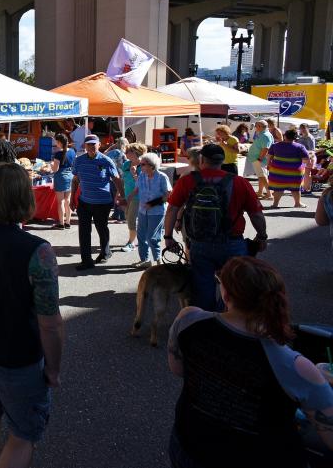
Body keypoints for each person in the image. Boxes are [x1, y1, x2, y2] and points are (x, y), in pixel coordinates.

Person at [167, 257, 333, 468]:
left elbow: (178, 368)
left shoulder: (189, 319)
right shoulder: (295, 366)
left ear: (225, 294)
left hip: (189, 446)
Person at [0, 163, 63, 468]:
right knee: (23, 432)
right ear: (24, 197)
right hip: (16, 355)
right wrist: (54, 370)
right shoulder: (37, 250)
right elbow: (51, 323)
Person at [164, 144, 267, 311]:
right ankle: (230, 319)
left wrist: (168, 237)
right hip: (232, 243)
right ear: (223, 160)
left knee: (202, 287)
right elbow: (256, 215)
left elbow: (172, 209)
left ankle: (206, 322)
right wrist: (262, 236)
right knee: (235, 287)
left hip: (199, 243)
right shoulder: (239, 182)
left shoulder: (187, 181)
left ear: (201, 159)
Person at [70, 134, 124, 271]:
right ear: (84, 146)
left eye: (94, 144)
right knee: (84, 231)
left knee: (101, 228)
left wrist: (122, 197)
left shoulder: (106, 161)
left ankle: (105, 252)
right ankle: (86, 260)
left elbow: (117, 179)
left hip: (102, 202)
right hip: (84, 202)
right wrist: (72, 198)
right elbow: (75, 180)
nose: (91, 147)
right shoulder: (79, 161)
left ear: (99, 145)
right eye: (88, 144)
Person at [129, 153, 171, 268]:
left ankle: (158, 261)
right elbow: (137, 188)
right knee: (141, 236)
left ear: (152, 166)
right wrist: (127, 198)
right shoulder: (142, 175)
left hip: (157, 212)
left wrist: (153, 203)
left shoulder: (162, 177)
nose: (140, 166)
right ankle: (145, 260)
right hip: (143, 211)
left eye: (142, 164)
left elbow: (168, 194)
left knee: (153, 237)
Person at [268, 128, 311, 209]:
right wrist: (301, 167)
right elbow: (306, 160)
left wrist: (268, 165)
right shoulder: (300, 147)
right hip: (294, 172)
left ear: (285, 136)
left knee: (278, 188)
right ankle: (297, 203)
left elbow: (269, 157)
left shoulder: (275, 145)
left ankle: (275, 204)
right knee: (295, 188)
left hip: (277, 171)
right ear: (295, 138)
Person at [119, 143, 147, 253]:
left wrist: (135, 174)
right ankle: (138, 238)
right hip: (127, 196)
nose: (125, 153)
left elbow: (143, 184)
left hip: (138, 197)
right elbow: (123, 180)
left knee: (131, 219)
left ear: (136, 153)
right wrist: (119, 193)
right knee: (128, 217)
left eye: (128, 151)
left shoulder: (144, 166)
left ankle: (131, 243)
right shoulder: (126, 164)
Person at [49, 133, 75, 230]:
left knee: (60, 202)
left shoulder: (58, 154)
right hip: (70, 176)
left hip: (61, 177)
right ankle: (68, 222)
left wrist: (51, 164)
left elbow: (55, 169)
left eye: (56, 141)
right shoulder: (72, 151)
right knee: (67, 201)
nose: (55, 143)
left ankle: (61, 223)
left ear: (59, 142)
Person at [249, 120, 274, 200]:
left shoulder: (265, 135)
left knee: (262, 176)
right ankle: (260, 192)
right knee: (261, 176)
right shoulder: (263, 134)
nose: (255, 127)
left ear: (260, 127)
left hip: (259, 159)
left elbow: (266, 148)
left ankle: (269, 194)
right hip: (258, 158)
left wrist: (260, 158)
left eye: (256, 126)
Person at [106, 138, 129, 222]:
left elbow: (104, 155)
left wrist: (110, 147)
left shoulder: (111, 152)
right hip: (121, 177)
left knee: (114, 196)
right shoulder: (123, 154)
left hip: (111, 177)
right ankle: (122, 216)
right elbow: (127, 164)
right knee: (121, 195)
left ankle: (116, 214)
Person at [296, 123, 317, 195]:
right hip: (303, 158)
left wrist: (309, 158)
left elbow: (312, 150)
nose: (302, 130)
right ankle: (304, 188)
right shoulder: (302, 137)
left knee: (307, 174)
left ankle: (307, 189)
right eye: (301, 128)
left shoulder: (309, 137)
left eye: (304, 128)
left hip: (308, 158)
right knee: (303, 173)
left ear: (307, 128)